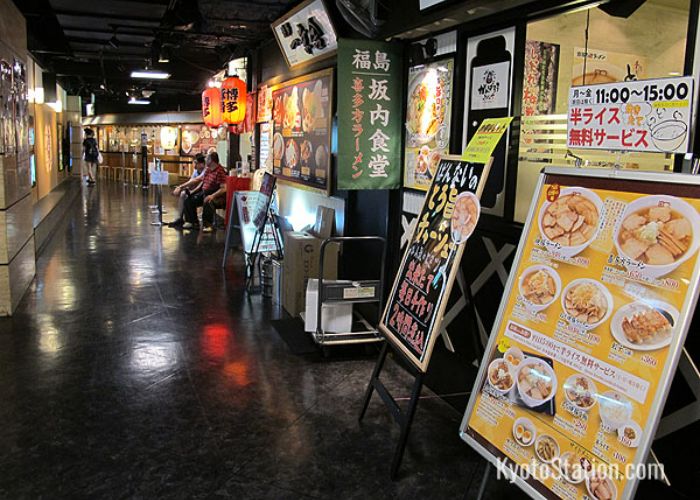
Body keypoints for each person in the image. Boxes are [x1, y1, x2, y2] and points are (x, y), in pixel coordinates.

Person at [182, 152, 228, 232]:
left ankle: (208, 225)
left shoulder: (220, 171)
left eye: (207, 158)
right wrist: (192, 192)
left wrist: (213, 196)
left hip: (216, 194)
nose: (205, 160)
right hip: (205, 192)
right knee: (189, 200)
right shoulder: (207, 169)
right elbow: (201, 181)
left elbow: (223, 188)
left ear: (212, 160)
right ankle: (192, 222)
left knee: (208, 201)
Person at [167, 153, 206, 228]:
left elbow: (197, 181)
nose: (194, 166)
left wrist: (182, 187)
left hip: (204, 191)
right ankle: (180, 218)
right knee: (183, 194)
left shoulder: (205, 171)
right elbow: (191, 182)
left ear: (201, 164)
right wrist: (184, 189)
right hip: (197, 190)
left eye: (196, 163)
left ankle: (192, 221)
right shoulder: (196, 171)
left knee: (189, 198)